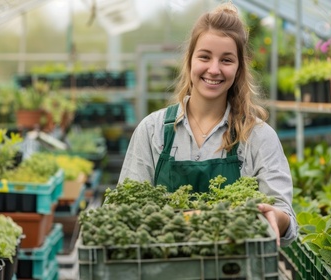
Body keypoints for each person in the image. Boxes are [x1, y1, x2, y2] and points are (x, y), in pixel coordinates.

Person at [118, 2, 297, 247]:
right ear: (190, 60)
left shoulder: (257, 136)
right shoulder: (153, 130)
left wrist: (275, 216)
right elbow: (124, 207)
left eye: (226, 60)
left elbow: (284, 217)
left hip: (235, 266)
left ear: (238, 68)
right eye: (204, 56)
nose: (214, 69)